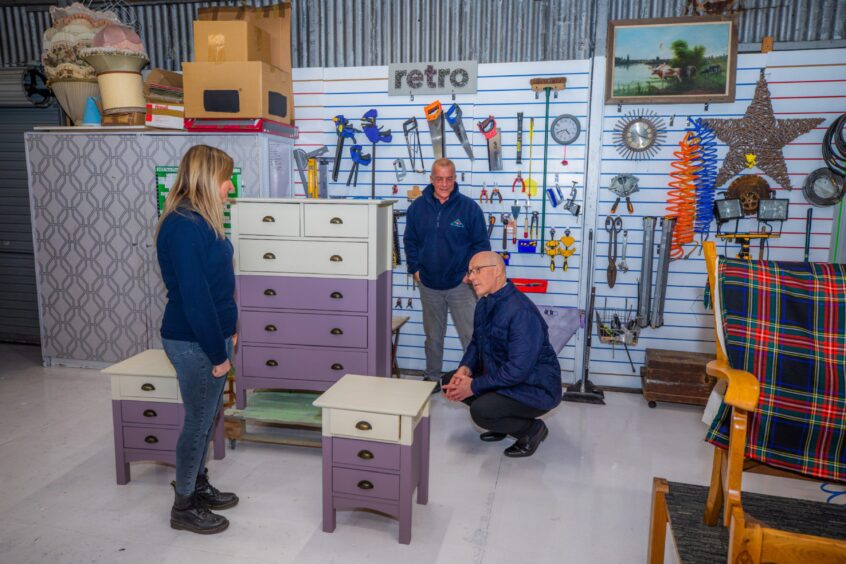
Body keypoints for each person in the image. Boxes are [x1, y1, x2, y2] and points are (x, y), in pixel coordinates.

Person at [155, 145, 239, 534]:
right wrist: (216, 352)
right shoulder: (184, 226)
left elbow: (218, 286)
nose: (229, 187)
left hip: (211, 336)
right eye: (226, 178)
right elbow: (195, 299)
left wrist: (230, 326)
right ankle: (184, 505)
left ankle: (198, 484)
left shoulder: (201, 221)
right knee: (198, 422)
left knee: (206, 420)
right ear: (210, 178)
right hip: (194, 342)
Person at [442, 251, 561, 458]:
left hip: (535, 387)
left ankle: (532, 431)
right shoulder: (485, 303)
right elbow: (477, 343)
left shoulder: (520, 312)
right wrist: (465, 369)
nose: (470, 278)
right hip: (506, 375)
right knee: (450, 380)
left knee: (480, 411)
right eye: (470, 272)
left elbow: (518, 370)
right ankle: (502, 423)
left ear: (497, 271)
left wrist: (473, 386)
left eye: (477, 271)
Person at [403, 158, 490, 387]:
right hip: (429, 284)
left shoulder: (469, 208)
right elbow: (410, 241)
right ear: (431, 179)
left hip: (461, 285)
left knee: (470, 336)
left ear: (455, 179)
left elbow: (481, 246)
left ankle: (475, 382)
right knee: (433, 337)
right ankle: (432, 378)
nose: (444, 183)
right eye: (439, 178)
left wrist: (470, 274)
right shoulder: (417, 208)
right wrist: (415, 269)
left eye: (448, 178)